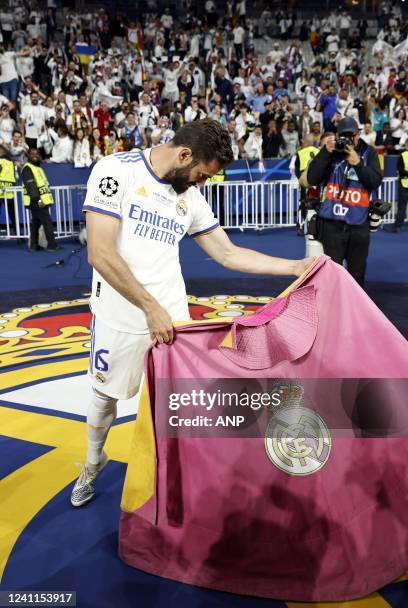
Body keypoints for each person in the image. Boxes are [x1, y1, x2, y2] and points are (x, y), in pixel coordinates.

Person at [70, 119, 314, 507]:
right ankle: (92, 461)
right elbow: (100, 253)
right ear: (184, 155)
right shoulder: (116, 171)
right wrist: (149, 307)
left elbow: (228, 253)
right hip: (121, 314)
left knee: (176, 403)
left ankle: (175, 478)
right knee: (105, 396)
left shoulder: (191, 199)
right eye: (201, 174)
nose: (202, 184)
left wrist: (294, 267)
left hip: (172, 320)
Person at [307, 116, 382, 286]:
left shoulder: (369, 153)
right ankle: (332, 308)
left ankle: (354, 310)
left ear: (358, 135)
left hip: (358, 224)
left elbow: (375, 181)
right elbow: (312, 178)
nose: (348, 140)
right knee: (332, 272)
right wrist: (325, 152)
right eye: (344, 136)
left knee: (357, 272)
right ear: (337, 135)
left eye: (351, 136)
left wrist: (358, 163)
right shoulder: (330, 152)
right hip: (331, 224)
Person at [21, 147, 60, 252]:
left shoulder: (38, 168)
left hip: (41, 201)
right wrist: (38, 200)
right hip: (37, 201)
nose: (35, 155)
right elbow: (31, 186)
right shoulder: (27, 168)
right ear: (28, 155)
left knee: (36, 223)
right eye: (32, 154)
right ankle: (52, 245)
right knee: (47, 222)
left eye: (37, 153)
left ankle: (33, 245)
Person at [390, 140, 408, 233]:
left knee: (401, 207)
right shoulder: (402, 155)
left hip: (404, 184)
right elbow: (400, 171)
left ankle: (397, 226)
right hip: (404, 185)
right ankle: (397, 226)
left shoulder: (402, 155)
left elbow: (401, 171)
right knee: (401, 207)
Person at [0, 145, 17, 234]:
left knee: (12, 214)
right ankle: (18, 233)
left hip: (1, 191)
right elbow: (14, 177)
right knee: (13, 214)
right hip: (9, 191)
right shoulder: (11, 163)